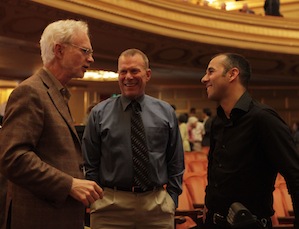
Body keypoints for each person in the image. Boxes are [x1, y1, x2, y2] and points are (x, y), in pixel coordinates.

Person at [0, 19, 103, 229]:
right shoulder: (30, 92)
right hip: (38, 217)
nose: (91, 59)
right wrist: (69, 184)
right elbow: (13, 157)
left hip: (57, 215)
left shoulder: (57, 93)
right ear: (59, 50)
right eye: (85, 51)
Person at [82, 48, 185, 228]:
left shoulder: (165, 111)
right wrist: (96, 200)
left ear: (147, 74)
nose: (128, 77)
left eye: (134, 71)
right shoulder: (99, 113)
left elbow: (175, 159)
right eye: (123, 71)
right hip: (110, 207)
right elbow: (90, 161)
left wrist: (172, 198)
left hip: (156, 206)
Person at [201, 53, 299, 229]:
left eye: (210, 72)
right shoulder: (218, 121)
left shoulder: (263, 118)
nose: (204, 79)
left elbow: (295, 174)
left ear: (232, 74)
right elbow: (213, 169)